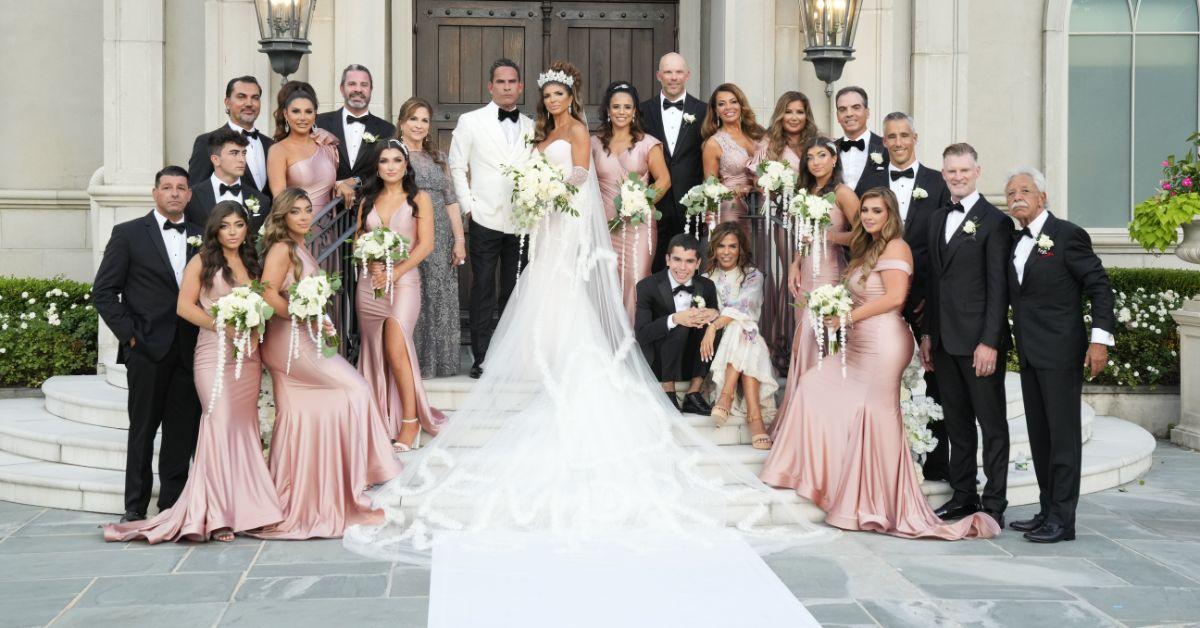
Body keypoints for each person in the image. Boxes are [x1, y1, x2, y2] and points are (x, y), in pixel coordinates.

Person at [344, 66, 831, 624]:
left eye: (559, 95)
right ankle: (536, 358)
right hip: (543, 220)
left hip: (568, 220)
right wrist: (534, 193)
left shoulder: (576, 131)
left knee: (562, 292)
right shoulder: (535, 132)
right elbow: (537, 173)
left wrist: (551, 192)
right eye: (546, 95)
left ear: (570, 97)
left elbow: (578, 178)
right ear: (541, 98)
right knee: (537, 292)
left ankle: (570, 357)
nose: (552, 101)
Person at [759, 188, 999, 540]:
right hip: (857, 342)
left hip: (884, 342)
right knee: (813, 385)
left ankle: (881, 500)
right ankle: (824, 478)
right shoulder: (866, 247)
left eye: (876, 211)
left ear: (890, 215)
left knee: (877, 417)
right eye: (866, 211)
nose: (869, 216)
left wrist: (848, 317)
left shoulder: (896, 247)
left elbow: (895, 297)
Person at [103, 202, 284, 543]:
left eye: (239, 225)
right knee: (218, 424)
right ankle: (215, 513)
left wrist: (256, 324)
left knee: (243, 430)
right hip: (212, 354)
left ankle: (248, 509)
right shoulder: (202, 261)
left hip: (247, 357)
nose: (233, 232)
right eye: (226, 225)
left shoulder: (251, 263)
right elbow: (184, 307)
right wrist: (221, 325)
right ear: (215, 229)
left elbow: (262, 304)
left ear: (247, 229)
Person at [252, 188, 402, 539]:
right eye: (296, 212)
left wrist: (315, 317)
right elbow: (267, 291)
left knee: (310, 413)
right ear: (283, 217)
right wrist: (297, 312)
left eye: (307, 210)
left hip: (304, 338)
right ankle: (369, 470)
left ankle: (320, 487)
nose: (304, 217)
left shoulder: (300, 246)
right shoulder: (281, 248)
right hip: (288, 343)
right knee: (356, 388)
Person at [1005, 167, 1114, 543]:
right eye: (1011, 192)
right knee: (1040, 436)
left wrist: (1099, 341)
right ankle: (1047, 509)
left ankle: (1063, 520)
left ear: (1042, 197)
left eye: (1024, 190)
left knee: (1063, 437)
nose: (1016, 196)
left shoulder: (1067, 235)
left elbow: (1099, 286)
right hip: (1030, 355)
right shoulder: (1013, 240)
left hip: (1062, 352)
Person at [93, 166, 202, 523]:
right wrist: (130, 335)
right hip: (146, 349)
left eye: (181, 188)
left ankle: (172, 505)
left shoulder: (203, 236)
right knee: (142, 430)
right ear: (155, 193)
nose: (174, 193)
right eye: (167, 187)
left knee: (180, 432)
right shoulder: (127, 234)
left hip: (189, 348)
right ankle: (134, 507)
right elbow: (104, 292)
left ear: (189, 195)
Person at [920, 142, 1012, 529]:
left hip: (978, 344)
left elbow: (999, 288)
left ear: (977, 172)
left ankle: (993, 503)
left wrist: (989, 342)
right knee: (956, 425)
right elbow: (932, 283)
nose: (957, 177)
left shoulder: (995, 222)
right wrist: (926, 334)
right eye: (951, 171)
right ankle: (963, 496)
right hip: (942, 340)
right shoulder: (937, 218)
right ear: (944, 175)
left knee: (991, 425)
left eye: (964, 170)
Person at [855, 112, 951, 480]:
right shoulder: (871, 180)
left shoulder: (937, 183)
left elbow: (944, 245)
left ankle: (938, 462)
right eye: (890, 136)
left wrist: (929, 297)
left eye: (903, 135)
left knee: (934, 379)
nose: (896, 142)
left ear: (915, 137)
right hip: (882, 295)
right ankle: (884, 456)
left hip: (925, 298)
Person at [354, 139, 447, 452]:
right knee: (374, 351)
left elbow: (425, 245)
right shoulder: (367, 200)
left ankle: (410, 421)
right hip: (370, 284)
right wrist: (370, 258)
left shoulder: (418, 199)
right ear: (378, 168)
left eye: (397, 160)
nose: (391, 166)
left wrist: (394, 271)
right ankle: (379, 419)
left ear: (406, 165)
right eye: (384, 161)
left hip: (404, 282)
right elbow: (358, 241)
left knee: (396, 346)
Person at [449, 58, 535, 379]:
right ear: (490, 86)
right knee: (482, 287)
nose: (507, 87)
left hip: (522, 222)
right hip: (483, 217)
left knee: (514, 291)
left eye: (512, 81)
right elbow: (457, 165)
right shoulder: (470, 121)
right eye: (501, 82)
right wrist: (468, 205)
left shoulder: (530, 126)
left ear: (520, 86)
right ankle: (482, 358)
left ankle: (510, 357)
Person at [771, 137, 860, 431]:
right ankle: (799, 420)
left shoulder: (844, 193)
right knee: (802, 341)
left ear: (834, 159)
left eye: (822, 155)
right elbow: (803, 235)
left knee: (819, 340)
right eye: (810, 157)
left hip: (830, 276)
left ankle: (821, 420)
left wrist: (829, 237)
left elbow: (865, 234)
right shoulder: (806, 191)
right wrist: (795, 263)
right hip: (806, 275)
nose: (816, 162)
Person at [749, 91, 820, 370]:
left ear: (807, 115)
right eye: (789, 111)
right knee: (792, 277)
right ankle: (782, 342)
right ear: (781, 114)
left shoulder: (817, 141)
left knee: (812, 276)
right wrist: (773, 185)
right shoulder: (769, 144)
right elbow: (757, 182)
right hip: (784, 220)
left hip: (814, 221)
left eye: (799, 112)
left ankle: (808, 342)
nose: (794, 117)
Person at [396, 97, 467, 378]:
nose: (419, 125)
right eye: (413, 118)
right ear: (401, 122)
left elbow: (451, 200)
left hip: (441, 235)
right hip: (409, 231)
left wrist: (459, 239)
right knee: (414, 293)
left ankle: (441, 363)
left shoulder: (439, 157)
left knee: (440, 294)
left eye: (424, 120)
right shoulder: (393, 154)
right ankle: (414, 362)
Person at [592, 81, 671, 322]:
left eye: (627, 107)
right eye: (616, 107)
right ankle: (608, 343)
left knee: (635, 279)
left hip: (639, 225)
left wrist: (641, 201)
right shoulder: (594, 144)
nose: (622, 112)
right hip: (605, 225)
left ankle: (633, 344)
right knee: (607, 280)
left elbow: (664, 181)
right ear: (608, 110)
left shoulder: (648, 143)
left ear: (635, 110)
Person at [701, 222, 775, 449]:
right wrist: (713, 327)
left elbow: (745, 305)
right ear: (714, 248)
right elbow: (704, 312)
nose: (726, 251)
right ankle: (756, 419)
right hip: (718, 346)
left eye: (732, 246)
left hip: (739, 337)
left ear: (740, 249)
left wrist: (715, 325)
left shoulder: (753, 276)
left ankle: (726, 394)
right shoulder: (705, 278)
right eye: (721, 246)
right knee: (744, 330)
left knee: (743, 327)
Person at [635, 233, 719, 414]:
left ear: (697, 264)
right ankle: (668, 391)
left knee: (714, 327)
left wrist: (713, 315)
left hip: (691, 361)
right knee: (681, 323)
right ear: (667, 260)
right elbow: (642, 334)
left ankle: (694, 392)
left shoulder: (707, 286)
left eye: (689, 261)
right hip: (660, 361)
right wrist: (674, 319)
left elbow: (713, 314)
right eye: (677, 260)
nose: (682, 267)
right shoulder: (647, 286)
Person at [640, 53, 708, 272]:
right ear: (659, 75)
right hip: (655, 204)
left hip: (691, 204)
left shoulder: (703, 111)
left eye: (678, 72)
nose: (673, 77)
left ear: (687, 75)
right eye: (668, 72)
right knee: (656, 265)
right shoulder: (642, 111)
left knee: (691, 264)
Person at [267, 82, 357, 209]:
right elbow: (279, 199)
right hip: (296, 224)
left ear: (315, 115)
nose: (302, 117)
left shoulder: (326, 145)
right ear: (286, 114)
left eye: (308, 112)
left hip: (328, 226)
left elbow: (331, 180)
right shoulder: (278, 150)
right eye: (296, 112)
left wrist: (339, 184)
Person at [315, 64, 397, 188]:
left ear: (371, 89)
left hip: (371, 202)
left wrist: (358, 180)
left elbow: (388, 168)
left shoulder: (387, 130)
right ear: (342, 89)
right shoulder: (320, 122)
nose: (358, 89)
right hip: (329, 202)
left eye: (364, 85)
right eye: (352, 84)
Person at [189, 76, 273, 195]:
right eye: (241, 97)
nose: (249, 103)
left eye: (255, 98)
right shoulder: (207, 141)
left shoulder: (271, 145)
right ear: (227, 103)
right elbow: (195, 194)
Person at [701, 83, 766, 231]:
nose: (728, 107)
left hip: (760, 206)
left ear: (741, 105)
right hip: (730, 207)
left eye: (733, 101)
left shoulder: (758, 134)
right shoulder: (713, 143)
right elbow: (711, 187)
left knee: (761, 252)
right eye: (721, 104)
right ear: (715, 110)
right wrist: (734, 190)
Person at [185, 127, 271, 234]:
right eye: (234, 153)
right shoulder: (191, 197)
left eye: (243, 153)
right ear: (216, 160)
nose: (242, 159)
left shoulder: (262, 200)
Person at [833, 86, 888, 193]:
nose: (849, 114)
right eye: (842, 109)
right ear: (837, 116)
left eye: (856, 107)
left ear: (867, 112)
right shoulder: (829, 149)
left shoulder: (886, 147)